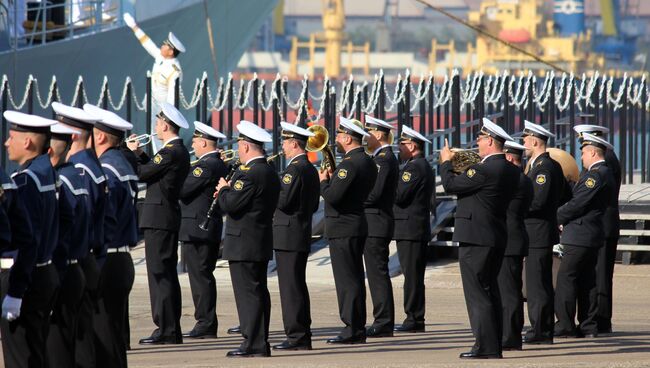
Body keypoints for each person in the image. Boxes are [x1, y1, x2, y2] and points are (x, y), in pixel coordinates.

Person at [439, 118, 519, 359]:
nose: (477, 142)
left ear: (491, 141)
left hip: (476, 237)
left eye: (481, 138)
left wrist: (446, 162)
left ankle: (484, 346)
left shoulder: (484, 169)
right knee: (490, 290)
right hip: (494, 235)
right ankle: (493, 344)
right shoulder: (508, 169)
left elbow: (451, 184)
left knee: (477, 293)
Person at [215, 121, 280, 357]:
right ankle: (259, 341)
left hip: (244, 242)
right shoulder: (269, 171)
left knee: (248, 295)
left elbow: (231, 205)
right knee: (258, 292)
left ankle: (253, 343)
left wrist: (224, 189)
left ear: (245, 146)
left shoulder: (250, 173)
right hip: (258, 240)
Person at [127, 102, 190, 345]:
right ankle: (169, 327)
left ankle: (165, 328)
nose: (155, 126)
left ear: (164, 125)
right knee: (165, 273)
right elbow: (154, 169)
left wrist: (133, 152)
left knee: (159, 274)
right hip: (165, 216)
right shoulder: (175, 151)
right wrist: (141, 154)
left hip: (159, 218)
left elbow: (144, 174)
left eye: (157, 122)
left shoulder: (170, 151)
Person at [51, 101, 107, 367]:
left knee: (76, 340)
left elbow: (75, 221)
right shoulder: (87, 168)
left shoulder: (79, 171)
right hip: (89, 257)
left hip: (78, 258)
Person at [1, 111, 59, 368]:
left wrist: (15, 291)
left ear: (27, 142)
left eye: (11, 137)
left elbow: (26, 238)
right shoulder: (45, 174)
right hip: (44, 271)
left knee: (21, 356)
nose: (6, 143)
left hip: (26, 276)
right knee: (36, 353)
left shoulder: (25, 181)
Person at [86, 104, 139, 367]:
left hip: (107, 259)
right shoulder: (120, 163)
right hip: (120, 259)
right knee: (112, 338)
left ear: (100, 137)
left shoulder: (107, 170)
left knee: (103, 340)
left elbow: (101, 220)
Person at [319, 117, 377, 345]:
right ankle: (357, 327)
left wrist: (324, 182)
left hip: (343, 225)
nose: (337, 141)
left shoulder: (350, 164)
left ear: (347, 138)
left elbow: (333, 196)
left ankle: (351, 328)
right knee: (353, 278)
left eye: (339, 137)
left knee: (347, 280)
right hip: (355, 223)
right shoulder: (368, 161)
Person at [554, 133, 614, 338]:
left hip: (580, 234)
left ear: (592, 152)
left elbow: (578, 203)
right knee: (588, 281)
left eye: (583, 153)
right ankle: (588, 325)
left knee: (566, 279)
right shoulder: (606, 172)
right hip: (591, 235)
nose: (581, 158)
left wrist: (557, 216)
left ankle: (565, 324)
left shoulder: (595, 175)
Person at [272, 122, 320, 351]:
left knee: (291, 288)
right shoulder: (309, 167)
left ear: (293, 144)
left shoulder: (295, 169)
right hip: (299, 231)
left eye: (284, 142)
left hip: (288, 234)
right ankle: (301, 333)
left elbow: (283, 201)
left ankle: (296, 336)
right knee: (296, 285)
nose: (282, 146)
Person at [46, 123, 91, 367]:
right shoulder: (77, 175)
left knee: (57, 348)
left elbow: (59, 232)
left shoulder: (61, 180)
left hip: (63, 268)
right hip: (78, 264)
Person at [179, 121, 228, 339]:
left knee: (200, 276)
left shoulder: (206, 165)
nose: (194, 146)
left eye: (196, 142)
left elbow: (183, 189)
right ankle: (206, 321)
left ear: (204, 142)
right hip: (201, 226)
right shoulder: (211, 163)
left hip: (199, 227)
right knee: (201, 275)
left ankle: (206, 323)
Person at [521, 120, 567, 345]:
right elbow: (565, 194)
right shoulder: (549, 165)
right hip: (540, 232)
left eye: (525, 139)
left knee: (537, 284)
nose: (523, 143)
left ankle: (540, 330)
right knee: (540, 282)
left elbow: (537, 202)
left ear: (535, 140)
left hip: (537, 233)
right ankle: (543, 328)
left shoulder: (544, 168)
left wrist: (515, 206)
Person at [573, 124, 621, 334]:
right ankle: (600, 318)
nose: (581, 151)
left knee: (600, 276)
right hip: (603, 224)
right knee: (599, 275)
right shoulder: (608, 159)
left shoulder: (605, 162)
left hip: (602, 225)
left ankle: (601, 320)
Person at [123, 12, 185, 152]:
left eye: (165, 46)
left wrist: (167, 113)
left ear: (171, 51)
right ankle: (154, 155)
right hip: (151, 101)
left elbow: (172, 95)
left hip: (163, 107)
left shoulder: (175, 70)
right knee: (152, 130)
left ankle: (161, 156)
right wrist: (134, 27)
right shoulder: (161, 58)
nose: (161, 47)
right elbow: (148, 44)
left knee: (161, 134)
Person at [392, 125, 433, 334]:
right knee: (413, 275)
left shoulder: (414, 168)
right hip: (412, 227)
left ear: (412, 145)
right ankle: (415, 316)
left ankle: (413, 318)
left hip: (411, 228)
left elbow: (400, 195)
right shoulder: (418, 165)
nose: (399, 148)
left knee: (412, 277)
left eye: (402, 144)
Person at [362, 115, 399, 338]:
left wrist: (354, 198)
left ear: (377, 135)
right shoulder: (382, 157)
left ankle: (383, 321)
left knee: (377, 274)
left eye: (368, 133)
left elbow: (375, 193)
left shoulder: (383, 159)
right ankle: (382, 319)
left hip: (376, 222)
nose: (366, 138)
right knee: (376, 273)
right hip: (375, 222)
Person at [499, 140, 533, 351]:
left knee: (509, 291)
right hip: (514, 238)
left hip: (510, 240)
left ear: (510, 158)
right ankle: (510, 333)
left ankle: (510, 336)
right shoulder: (522, 179)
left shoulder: (516, 181)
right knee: (509, 290)